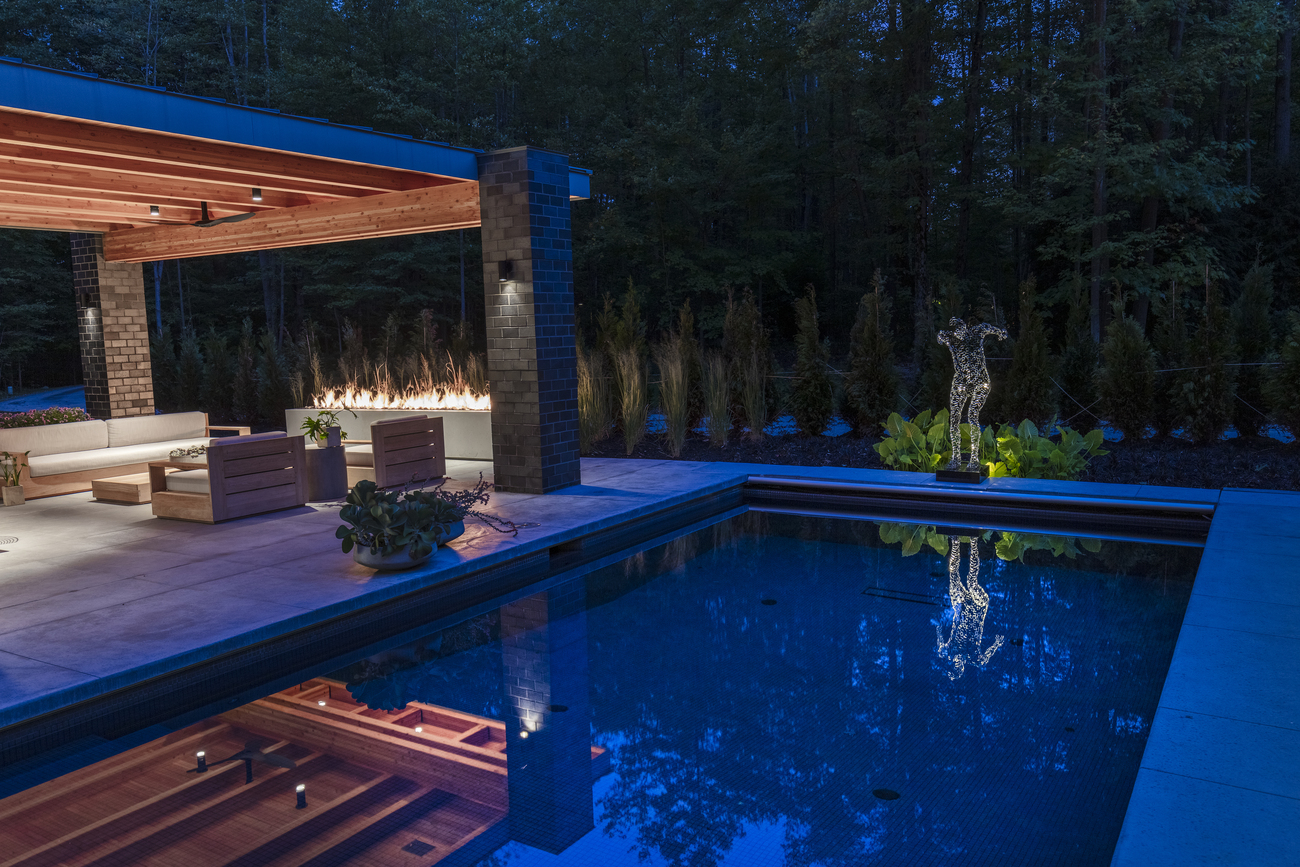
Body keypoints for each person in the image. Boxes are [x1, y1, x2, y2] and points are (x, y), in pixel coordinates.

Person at [937, 317, 1007, 471]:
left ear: (965, 329)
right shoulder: (952, 339)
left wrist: (1000, 333)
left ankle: (974, 458)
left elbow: (990, 328)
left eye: (961, 331)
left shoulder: (976, 332)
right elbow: (940, 336)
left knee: (972, 414)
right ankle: (956, 458)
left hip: (980, 381)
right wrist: (941, 338)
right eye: (957, 333)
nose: (959, 335)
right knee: (954, 418)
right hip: (961, 381)